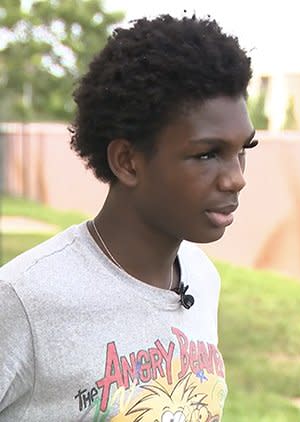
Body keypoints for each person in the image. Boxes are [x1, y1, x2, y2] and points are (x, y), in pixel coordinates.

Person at [0, 15, 256, 420]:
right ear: (127, 161)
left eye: (243, 149)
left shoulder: (202, 277)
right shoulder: (23, 301)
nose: (236, 178)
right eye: (207, 154)